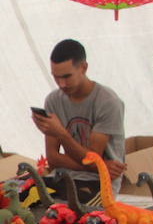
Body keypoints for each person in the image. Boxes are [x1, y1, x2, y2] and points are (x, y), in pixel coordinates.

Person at [32, 38, 125, 199]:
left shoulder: (108, 102)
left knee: (70, 207)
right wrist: (100, 166)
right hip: (63, 178)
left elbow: (92, 159)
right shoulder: (53, 100)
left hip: (99, 185)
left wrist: (61, 134)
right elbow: (53, 159)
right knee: (17, 194)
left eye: (67, 77)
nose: (61, 84)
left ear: (83, 68)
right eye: (56, 77)